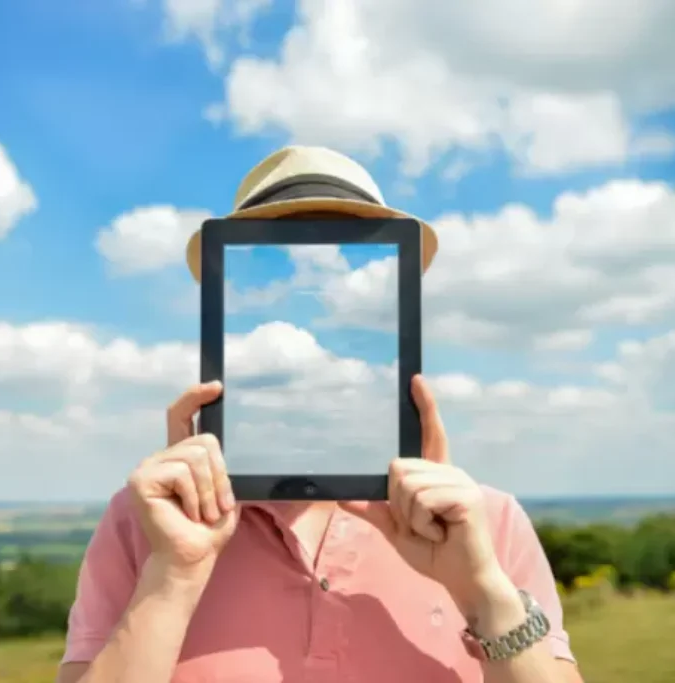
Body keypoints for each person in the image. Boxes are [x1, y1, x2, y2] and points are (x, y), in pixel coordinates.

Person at [56, 146, 584, 683]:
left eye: (357, 264)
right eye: (271, 263)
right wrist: (172, 577)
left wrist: (482, 590)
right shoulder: (143, 523)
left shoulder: (487, 523)